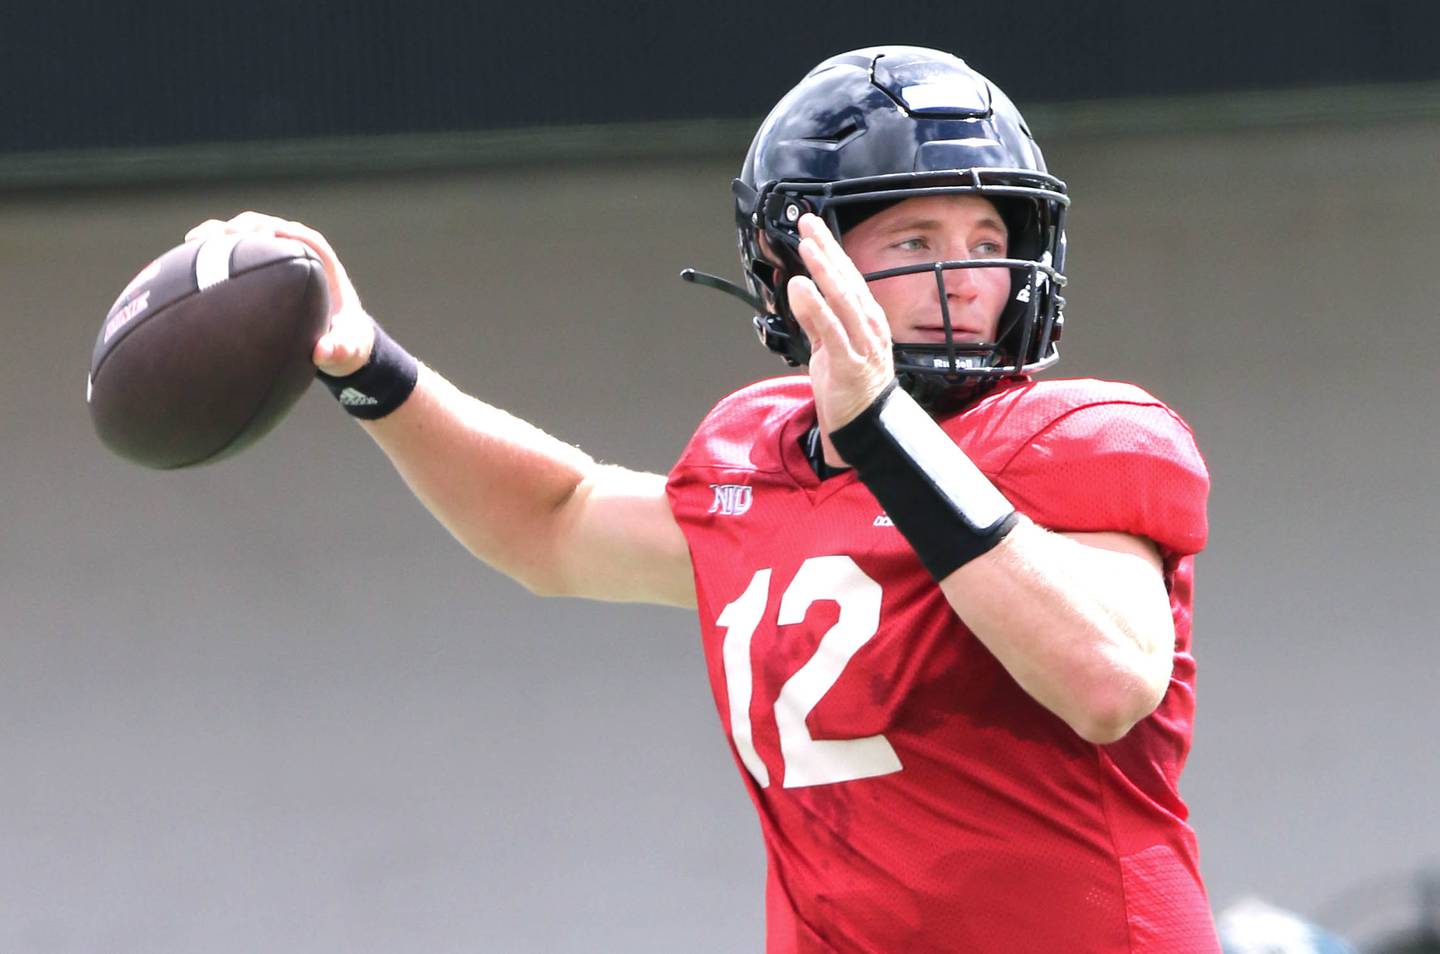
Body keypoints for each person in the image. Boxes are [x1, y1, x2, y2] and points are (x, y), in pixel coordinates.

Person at [191, 46, 1217, 953]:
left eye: (988, 231)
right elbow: (552, 525)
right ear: (791, 264)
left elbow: (1108, 681)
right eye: (915, 241)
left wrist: (885, 436)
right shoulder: (757, 459)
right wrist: (372, 367)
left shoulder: (1078, 435)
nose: (969, 273)